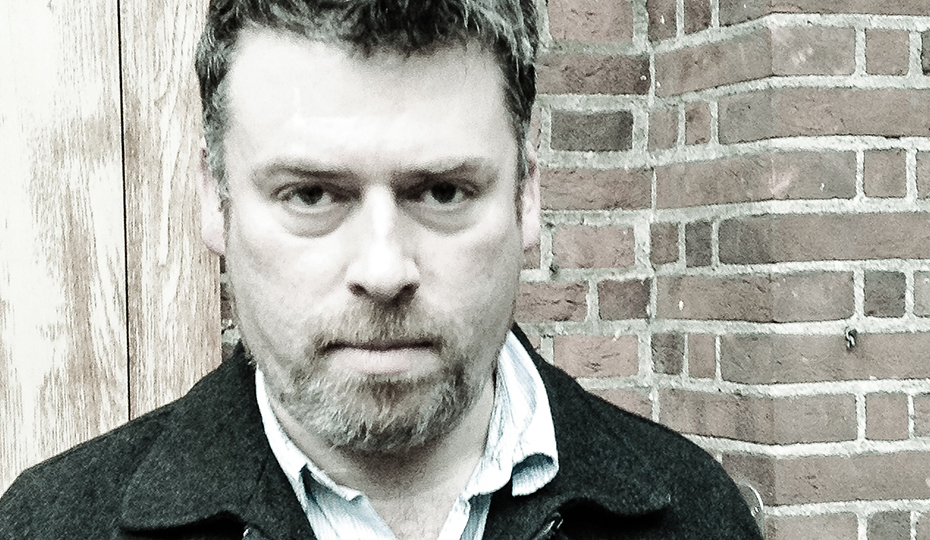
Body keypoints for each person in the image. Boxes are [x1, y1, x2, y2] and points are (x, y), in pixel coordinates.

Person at [0, 1, 764, 538]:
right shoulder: (49, 525)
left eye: (442, 192)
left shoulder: (698, 516)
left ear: (527, 194)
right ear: (215, 199)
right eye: (310, 194)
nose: (384, 268)